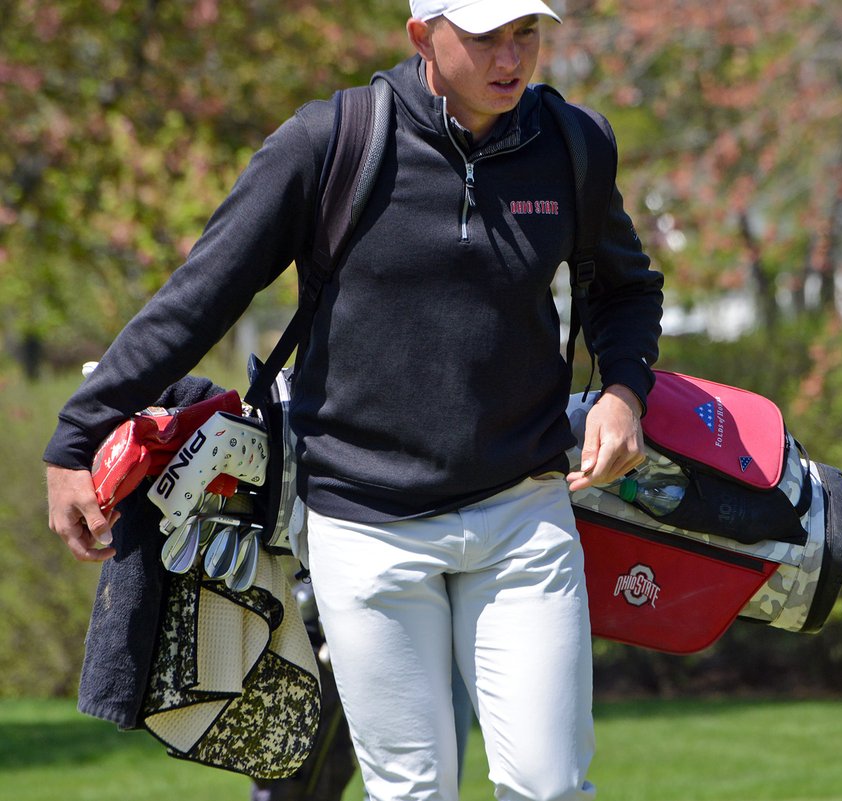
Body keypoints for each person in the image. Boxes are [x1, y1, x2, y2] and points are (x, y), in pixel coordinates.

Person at [44, 0, 664, 799]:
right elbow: (198, 298)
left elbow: (626, 289)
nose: (511, 58)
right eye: (484, 37)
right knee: (413, 791)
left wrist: (623, 391)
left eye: (527, 34)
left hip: (523, 513)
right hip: (366, 530)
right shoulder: (329, 143)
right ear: (422, 36)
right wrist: (75, 437)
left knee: (551, 786)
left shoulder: (573, 145)